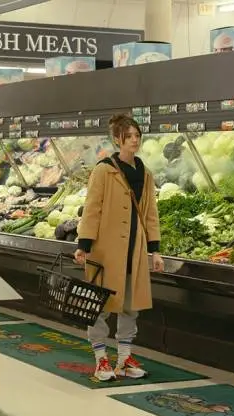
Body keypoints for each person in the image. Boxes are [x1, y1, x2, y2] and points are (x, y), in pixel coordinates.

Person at [74, 114, 165, 382]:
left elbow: (151, 214)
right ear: (117, 140)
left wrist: (155, 250)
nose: (134, 140)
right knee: (99, 304)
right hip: (106, 249)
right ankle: (101, 359)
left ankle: (124, 359)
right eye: (129, 136)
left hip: (134, 250)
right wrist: (84, 245)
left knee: (130, 305)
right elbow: (92, 208)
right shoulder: (104, 170)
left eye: (137, 136)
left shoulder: (145, 174)